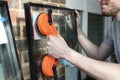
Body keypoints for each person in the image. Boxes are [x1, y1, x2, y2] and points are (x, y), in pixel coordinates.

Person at [47, 0, 120, 79]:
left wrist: (66, 52)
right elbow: (98, 55)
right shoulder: (114, 26)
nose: (98, 0)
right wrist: (77, 29)